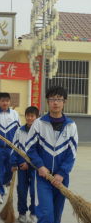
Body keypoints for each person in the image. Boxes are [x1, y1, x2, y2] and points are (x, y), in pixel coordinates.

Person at [25, 86, 78, 223]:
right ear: (47, 102)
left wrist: (62, 173)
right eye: (52, 99)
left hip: (61, 179)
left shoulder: (71, 126)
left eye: (59, 99)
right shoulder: (39, 123)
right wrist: (40, 166)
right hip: (43, 177)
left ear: (64, 102)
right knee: (46, 213)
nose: (55, 103)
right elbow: (30, 148)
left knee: (56, 214)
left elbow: (71, 154)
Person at [11, 106, 39, 223]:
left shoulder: (40, 132)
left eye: (32, 116)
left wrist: (30, 163)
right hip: (21, 167)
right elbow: (14, 148)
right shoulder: (19, 131)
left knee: (34, 192)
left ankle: (33, 214)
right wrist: (14, 163)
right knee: (21, 191)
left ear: (37, 118)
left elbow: (40, 152)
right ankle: (22, 213)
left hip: (35, 168)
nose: (29, 118)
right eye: (28, 115)